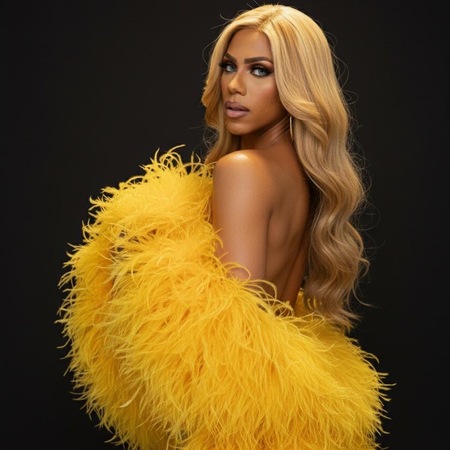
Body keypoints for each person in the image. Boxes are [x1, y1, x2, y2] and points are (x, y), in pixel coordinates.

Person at [58, 4, 389, 449]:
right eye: (229, 66)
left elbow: (230, 333)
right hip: (277, 416)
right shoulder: (301, 179)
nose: (234, 84)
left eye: (260, 70)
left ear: (298, 84)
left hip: (235, 424)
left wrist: (141, 261)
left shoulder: (243, 169)